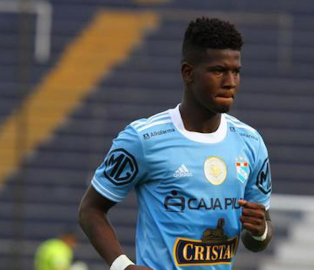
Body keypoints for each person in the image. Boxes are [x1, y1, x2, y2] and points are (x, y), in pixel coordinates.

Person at [78, 17, 273, 270]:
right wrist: (123, 265)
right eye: (218, 71)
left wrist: (260, 231)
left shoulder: (251, 143)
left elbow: (259, 235)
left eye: (236, 71)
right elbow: (90, 210)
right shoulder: (144, 139)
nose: (230, 82)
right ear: (188, 73)